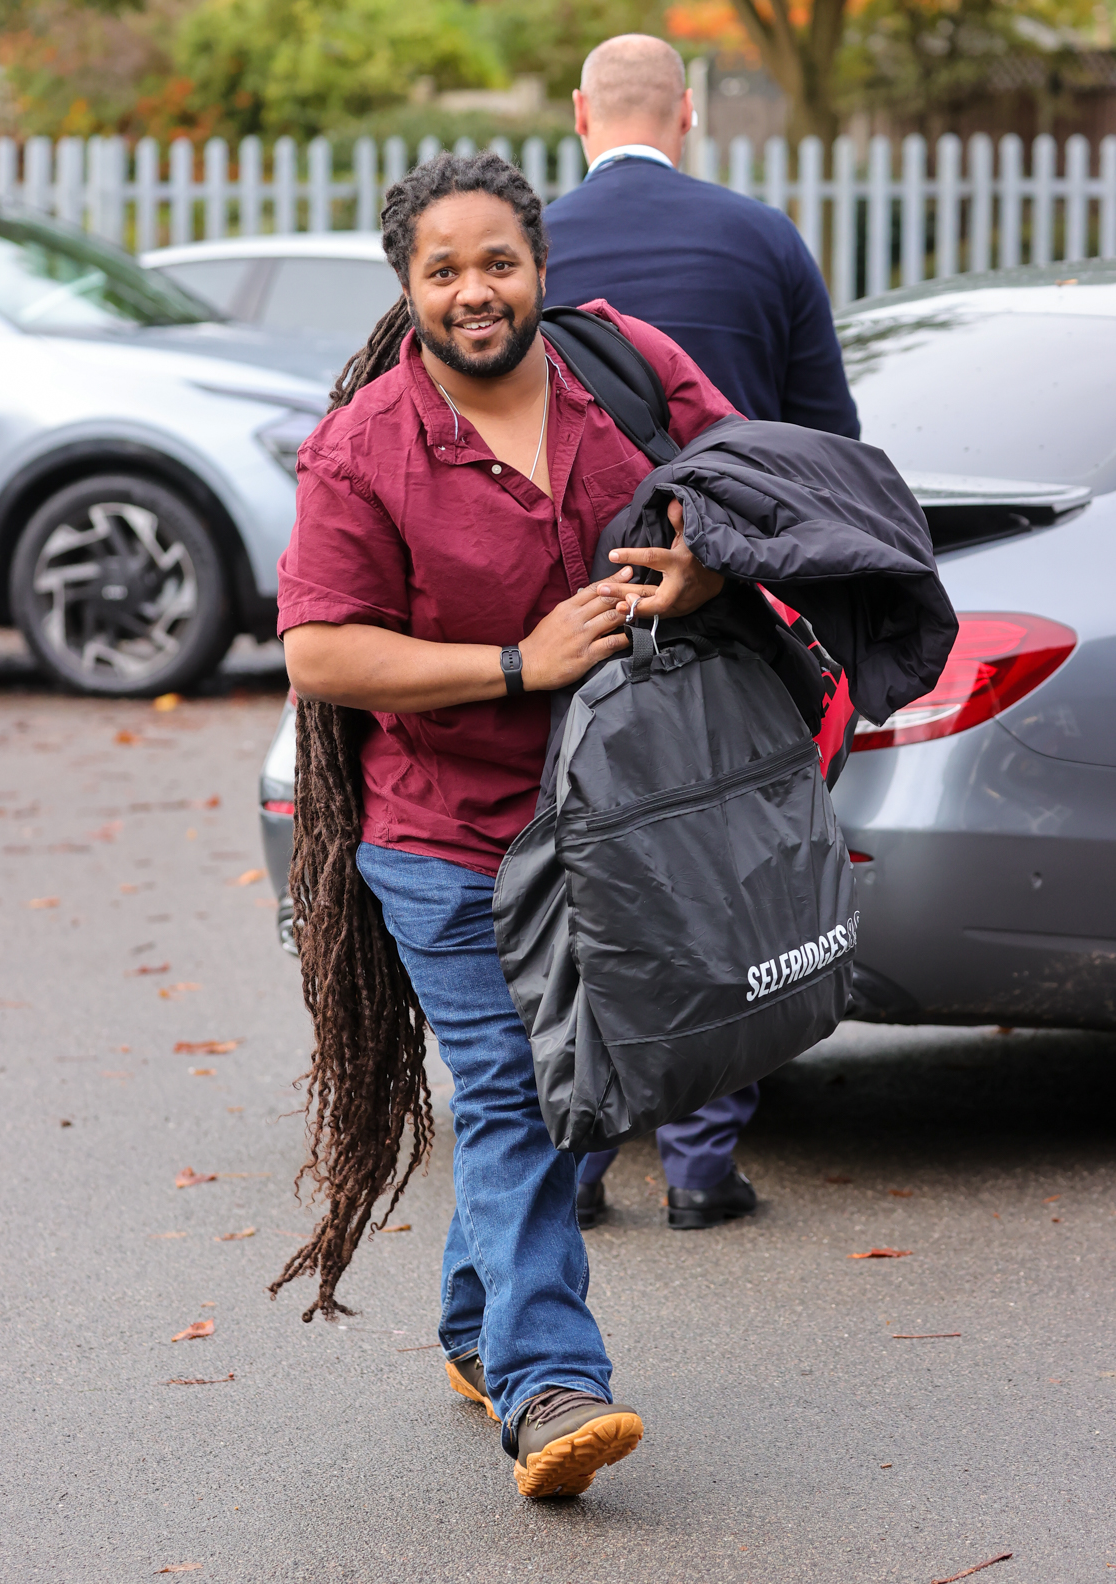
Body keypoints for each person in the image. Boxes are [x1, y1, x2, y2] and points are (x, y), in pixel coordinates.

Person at [273, 152, 737, 1497]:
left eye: (496, 262)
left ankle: (480, 1323)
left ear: (538, 266)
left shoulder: (625, 372)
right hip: (445, 838)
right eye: (443, 270)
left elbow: (740, 486)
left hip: (619, 822)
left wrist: (699, 563)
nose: (474, 292)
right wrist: (517, 663)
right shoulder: (364, 447)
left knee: (583, 1094)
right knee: (517, 1098)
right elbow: (322, 655)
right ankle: (549, 1382)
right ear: (408, 289)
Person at [543, 33, 862, 1234]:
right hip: (720, 599)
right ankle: (701, 1162)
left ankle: (576, 1162)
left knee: (588, 861)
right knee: (727, 858)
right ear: (689, 114)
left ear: (581, 113)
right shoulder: (763, 240)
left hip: (568, 606)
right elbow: (824, 438)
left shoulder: (530, 248)